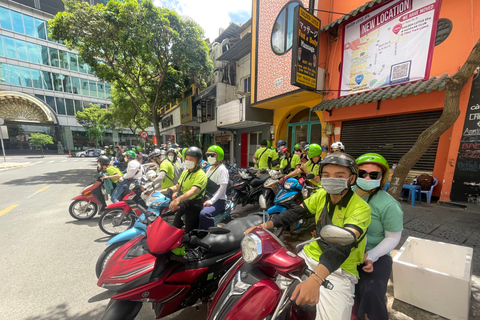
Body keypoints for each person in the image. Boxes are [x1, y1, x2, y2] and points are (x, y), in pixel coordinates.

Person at [245, 153, 371, 320]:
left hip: (339, 270)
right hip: (308, 255)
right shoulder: (321, 195)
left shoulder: (361, 208)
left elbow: (342, 245)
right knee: (272, 293)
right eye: (326, 175)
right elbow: (297, 212)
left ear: (351, 179)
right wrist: (265, 225)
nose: (331, 179)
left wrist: (316, 278)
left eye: (339, 176)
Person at [353, 153, 403, 320]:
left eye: (374, 175)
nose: (367, 177)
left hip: (375, 254)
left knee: (371, 291)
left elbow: (393, 237)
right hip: (345, 252)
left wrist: (371, 256)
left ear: (382, 178)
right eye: (362, 173)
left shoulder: (389, 205)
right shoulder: (344, 194)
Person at [159, 147, 207, 233]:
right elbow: (177, 187)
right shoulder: (186, 172)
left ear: (198, 161)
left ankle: (192, 245)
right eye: (186, 159)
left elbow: (193, 191)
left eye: (191, 159)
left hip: (194, 206)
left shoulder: (200, 174)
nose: (188, 161)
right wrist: (158, 192)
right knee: (175, 227)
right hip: (184, 203)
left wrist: (177, 200)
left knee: (190, 232)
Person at [199, 145, 229, 229]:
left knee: (204, 214)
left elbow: (222, 188)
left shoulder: (222, 169)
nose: (209, 157)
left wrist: (211, 201)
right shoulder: (209, 168)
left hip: (218, 201)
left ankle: (206, 233)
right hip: (206, 197)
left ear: (219, 156)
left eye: (212, 155)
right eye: (208, 155)